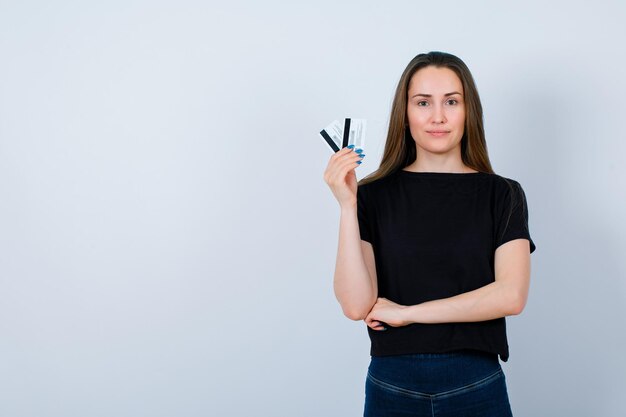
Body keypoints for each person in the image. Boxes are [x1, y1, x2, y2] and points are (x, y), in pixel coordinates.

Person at [323, 51, 536, 417]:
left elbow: (510, 296)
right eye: (423, 102)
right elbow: (356, 305)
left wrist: (409, 313)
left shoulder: (502, 194)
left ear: (469, 112)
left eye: (451, 101)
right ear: (404, 114)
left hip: (475, 382)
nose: (438, 116)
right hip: (392, 384)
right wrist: (347, 206)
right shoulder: (371, 196)